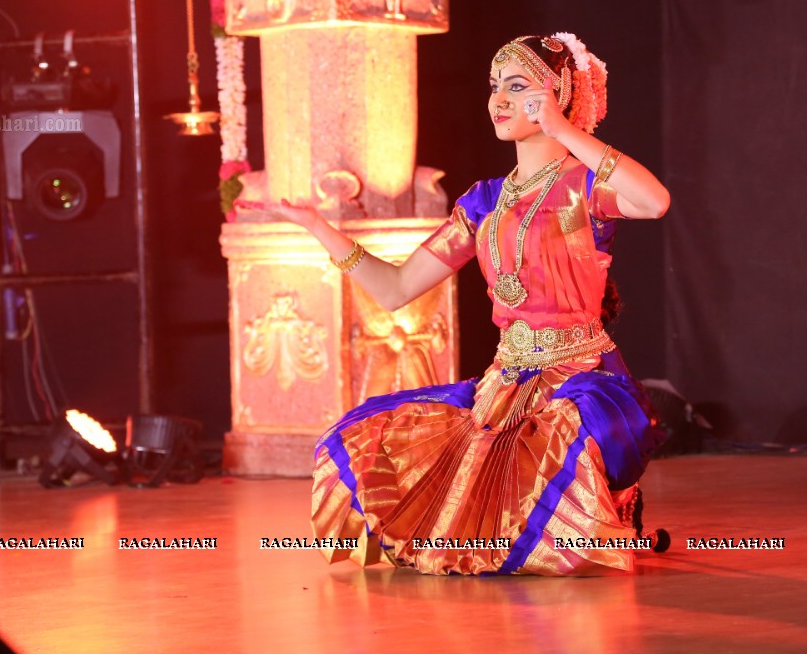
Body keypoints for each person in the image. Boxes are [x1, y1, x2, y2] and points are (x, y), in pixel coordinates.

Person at [245, 32, 670, 576]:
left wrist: (563, 132)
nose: (498, 100)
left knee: (569, 430)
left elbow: (654, 202)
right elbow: (395, 289)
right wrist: (318, 228)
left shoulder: (585, 185)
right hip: (504, 385)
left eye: (517, 88)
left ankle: (596, 527)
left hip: (580, 373)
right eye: (495, 87)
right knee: (365, 439)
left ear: (558, 94)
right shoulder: (484, 201)